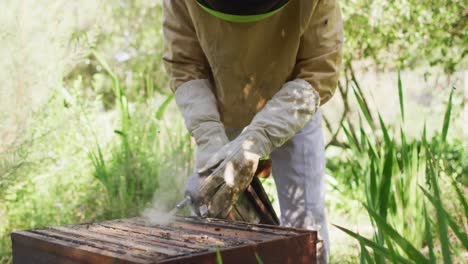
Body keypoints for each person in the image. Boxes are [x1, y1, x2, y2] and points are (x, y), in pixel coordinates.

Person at [162, 0, 343, 262]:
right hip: (219, 111)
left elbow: (319, 69)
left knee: (306, 223)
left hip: (294, 106)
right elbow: (184, 64)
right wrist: (208, 135)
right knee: (211, 214)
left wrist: (259, 137)